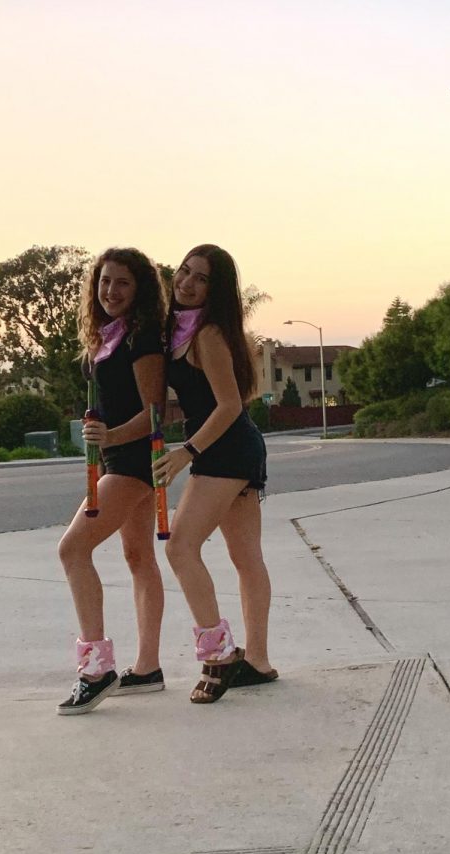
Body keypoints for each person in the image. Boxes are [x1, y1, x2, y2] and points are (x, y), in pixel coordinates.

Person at [152, 244, 278, 704]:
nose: (186, 282)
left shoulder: (207, 335)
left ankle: (219, 653)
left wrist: (187, 452)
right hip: (227, 447)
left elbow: (229, 405)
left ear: (215, 289)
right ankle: (258, 663)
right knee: (246, 558)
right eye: (184, 271)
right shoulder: (176, 330)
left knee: (182, 547)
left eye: (200, 278)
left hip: (226, 449)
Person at [57, 247, 167, 715]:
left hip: (133, 461)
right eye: (104, 282)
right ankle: (147, 669)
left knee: (72, 549)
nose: (111, 291)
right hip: (118, 460)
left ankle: (96, 670)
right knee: (138, 556)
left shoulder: (140, 339)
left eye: (122, 282)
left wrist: (110, 436)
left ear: (139, 288)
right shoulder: (106, 335)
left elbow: (155, 412)